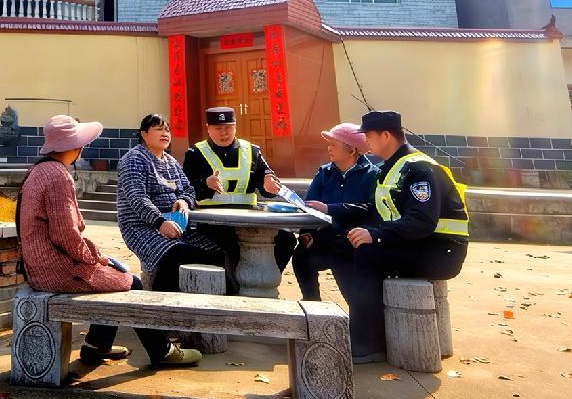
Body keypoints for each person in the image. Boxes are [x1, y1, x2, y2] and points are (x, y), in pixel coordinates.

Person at [17, 114, 201, 367]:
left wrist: (98, 258)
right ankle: (162, 351)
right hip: (56, 269)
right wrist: (96, 257)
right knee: (131, 283)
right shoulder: (58, 176)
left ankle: (96, 345)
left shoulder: (39, 170)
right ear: (74, 146)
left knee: (115, 274)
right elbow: (66, 236)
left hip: (42, 265)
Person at [306, 110, 469, 364]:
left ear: (385, 136)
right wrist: (330, 209)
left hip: (440, 251)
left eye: (369, 136)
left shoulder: (418, 168)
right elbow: (372, 209)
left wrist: (376, 235)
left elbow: (421, 222)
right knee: (339, 246)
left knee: (363, 253)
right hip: (414, 245)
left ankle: (369, 342)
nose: (366, 142)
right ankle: (365, 325)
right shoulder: (392, 167)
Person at [117, 113, 227, 297]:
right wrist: (160, 222)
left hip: (177, 225)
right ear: (144, 134)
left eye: (167, 130)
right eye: (159, 129)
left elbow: (188, 189)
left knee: (219, 252)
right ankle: (157, 305)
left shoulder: (171, 162)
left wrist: (184, 201)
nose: (165, 134)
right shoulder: (133, 159)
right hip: (143, 227)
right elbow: (137, 197)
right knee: (176, 254)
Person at [181, 106, 282, 292]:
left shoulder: (252, 151)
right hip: (212, 222)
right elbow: (185, 188)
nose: (224, 133)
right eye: (218, 128)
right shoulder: (195, 153)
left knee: (286, 239)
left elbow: (267, 182)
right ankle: (238, 290)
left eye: (228, 127)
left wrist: (269, 185)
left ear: (235, 126)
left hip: (249, 219)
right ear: (208, 128)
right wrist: (205, 184)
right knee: (227, 248)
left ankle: (260, 283)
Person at [274, 123, 378, 301]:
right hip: (325, 238)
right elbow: (309, 205)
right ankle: (312, 302)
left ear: (352, 150)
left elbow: (370, 209)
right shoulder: (324, 172)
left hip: (354, 242)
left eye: (333, 145)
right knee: (301, 257)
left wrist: (329, 208)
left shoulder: (373, 175)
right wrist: (306, 234)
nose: (329, 148)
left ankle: (357, 309)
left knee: (354, 295)